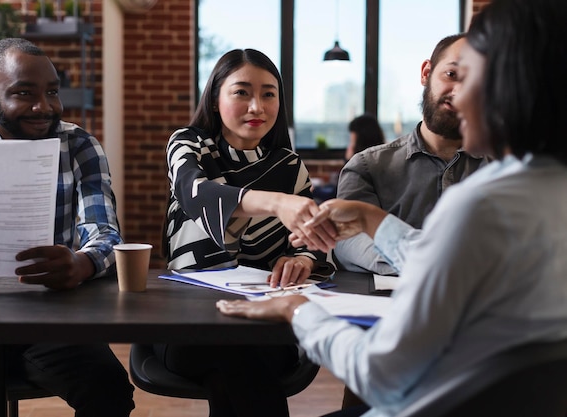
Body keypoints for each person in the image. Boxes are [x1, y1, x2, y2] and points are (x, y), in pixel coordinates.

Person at [216, 1, 567, 416]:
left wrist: (298, 311)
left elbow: (381, 374)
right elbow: (450, 259)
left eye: (471, 74)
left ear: (509, 85)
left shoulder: (482, 206)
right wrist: (372, 219)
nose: (456, 95)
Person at [0, 38, 135, 416]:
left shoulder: (79, 145)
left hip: (51, 315)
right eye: (24, 93)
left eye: (51, 92)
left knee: (108, 390)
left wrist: (82, 264)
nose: (43, 107)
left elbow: (107, 236)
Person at [158, 48, 332, 417]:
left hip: (265, 320)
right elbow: (197, 195)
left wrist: (300, 257)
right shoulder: (188, 144)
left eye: (269, 94)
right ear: (216, 98)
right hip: (186, 317)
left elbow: (315, 244)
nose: (257, 106)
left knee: (232, 373)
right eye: (241, 92)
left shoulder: (289, 166)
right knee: (238, 362)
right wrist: (275, 203)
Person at [334, 33, 488, 275]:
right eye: (452, 74)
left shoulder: (503, 169)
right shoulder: (367, 166)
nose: (459, 92)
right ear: (426, 72)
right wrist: (440, 266)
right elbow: (349, 242)